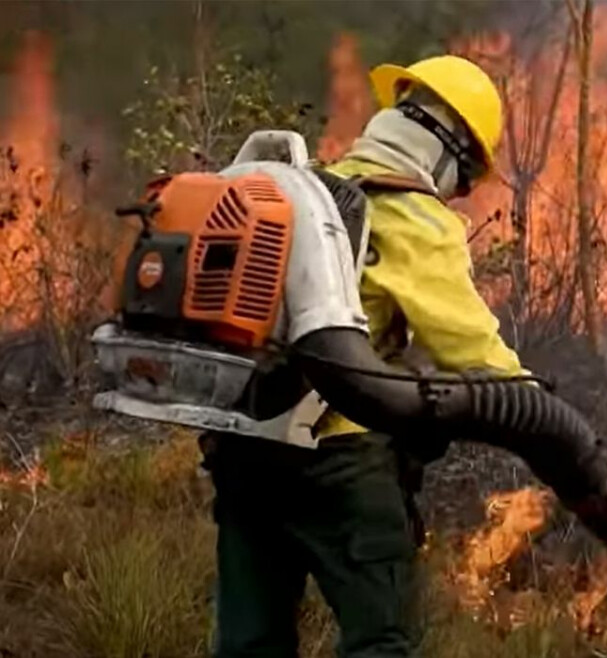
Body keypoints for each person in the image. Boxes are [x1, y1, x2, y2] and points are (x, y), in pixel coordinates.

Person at [200, 55, 527, 658]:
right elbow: (468, 345)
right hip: (342, 461)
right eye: (468, 177)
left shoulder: (308, 188)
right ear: (449, 147)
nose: (459, 195)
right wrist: (536, 406)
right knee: (380, 641)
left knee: (248, 643)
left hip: (245, 449)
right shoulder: (411, 214)